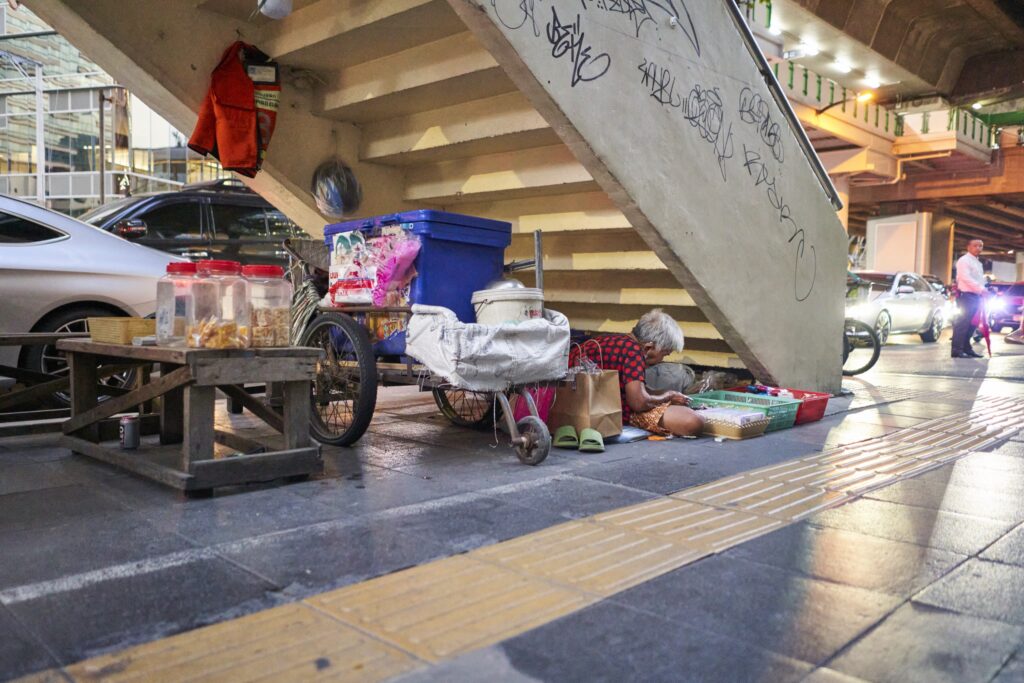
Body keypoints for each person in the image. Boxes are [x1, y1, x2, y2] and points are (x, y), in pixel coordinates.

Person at [571, 309, 704, 437]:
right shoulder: (633, 351)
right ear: (649, 348)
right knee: (693, 422)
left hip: (573, 407)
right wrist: (668, 396)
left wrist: (667, 394)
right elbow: (638, 402)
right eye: (664, 353)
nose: (663, 359)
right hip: (603, 410)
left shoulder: (606, 340)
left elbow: (636, 389)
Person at [952, 239, 987, 359]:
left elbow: (979, 279)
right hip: (966, 296)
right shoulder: (964, 260)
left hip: (975, 296)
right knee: (962, 323)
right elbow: (965, 277)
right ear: (968, 247)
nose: (978, 248)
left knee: (972, 324)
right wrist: (981, 288)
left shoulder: (978, 263)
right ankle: (957, 350)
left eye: (980, 246)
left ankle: (966, 348)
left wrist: (985, 287)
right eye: (975, 245)